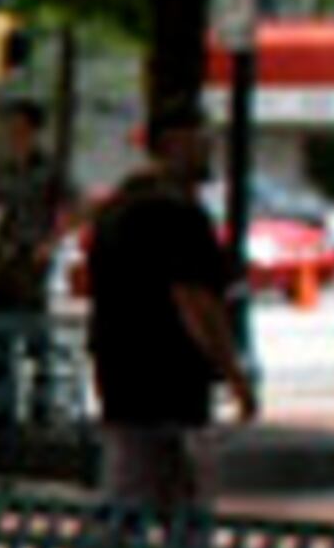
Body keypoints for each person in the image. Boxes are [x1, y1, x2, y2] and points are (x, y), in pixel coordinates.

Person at [84, 108, 258, 510]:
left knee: (129, 486)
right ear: (172, 145)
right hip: (171, 374)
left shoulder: (116, 210)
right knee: (184, 496)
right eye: (200, 141)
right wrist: (234, 374)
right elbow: (196, 302)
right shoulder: (180, 216)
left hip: (119, 369)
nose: (207, 150)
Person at [0, 97, 76, 429]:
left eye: (20, 128)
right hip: (3, 254)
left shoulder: (48, 168)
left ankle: (41, 407)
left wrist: (51, 241)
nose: (13, 135)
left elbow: (76, 206)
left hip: (32, 257)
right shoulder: (2, 168)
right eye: (10, 128)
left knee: (35, 334)